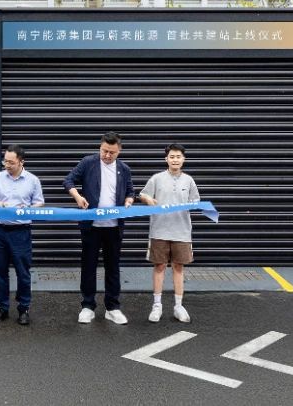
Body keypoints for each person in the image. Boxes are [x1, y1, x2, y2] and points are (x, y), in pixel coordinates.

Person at [64, 132, 134, 325]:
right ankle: (87, 306)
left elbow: (130, 191)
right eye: (104, 151)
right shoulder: (89, 162)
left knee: (113, 267)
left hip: (114, 227)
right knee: (88, 266)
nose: (107, 155)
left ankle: (113, 307)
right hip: (91, 226)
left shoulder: (124, 169)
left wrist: (129, 201)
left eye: (112, 152)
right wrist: (78, 197)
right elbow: (68, 180)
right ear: (100, 147)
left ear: (119, 151)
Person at [0, 144, 44, 326]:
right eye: (5, 161)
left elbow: (39, 203)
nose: (7, 165)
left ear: (21, 162)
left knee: (23, 272)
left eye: (11, 162)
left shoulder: (32, 180)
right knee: (0, 271)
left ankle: (24, 308)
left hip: (21, 232)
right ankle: (2, 307)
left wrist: (28, 209)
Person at [137, 144, 199, 323]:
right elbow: (142, 195)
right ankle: (157, 305)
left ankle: (178, 306)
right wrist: (148, 199)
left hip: (182, 232)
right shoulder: (157, 178)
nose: (175, 160)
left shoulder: (189, 180)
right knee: (159, 267)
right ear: (166, 159)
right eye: (172, 157)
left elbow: (196, 201)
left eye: (178, 157)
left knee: (179, 267)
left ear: (183, 159)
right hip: (159, 231)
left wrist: (194, 204)